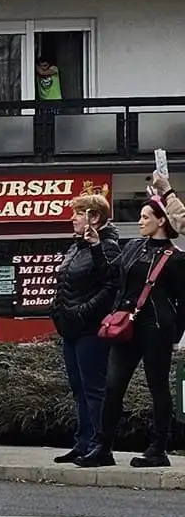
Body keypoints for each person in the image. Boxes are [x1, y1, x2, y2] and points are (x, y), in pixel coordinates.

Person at [84, 199, 185, 468]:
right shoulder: (132, 247)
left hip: (157, 327)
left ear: (161, 220)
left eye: (144, 217)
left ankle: (158, 449)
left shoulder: (176, 258)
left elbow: (183, 302)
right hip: (126, 325)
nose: (139, 221)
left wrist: (177, 335)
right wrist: (95, 246)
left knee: (157, 386)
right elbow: (111, 275)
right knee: (113, 385)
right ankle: (103, 447)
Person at [50, 195, 121, 465]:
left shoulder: (107, 246)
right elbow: (65, 282)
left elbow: (111, 285)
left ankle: (100, 446)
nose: (73, 218)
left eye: (79, 214)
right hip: (71, 328)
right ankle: (82, 442)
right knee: (79, 388)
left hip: (90, 329)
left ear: (95, 218)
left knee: (94, 388)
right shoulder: (76, 247)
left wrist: (84, 310)